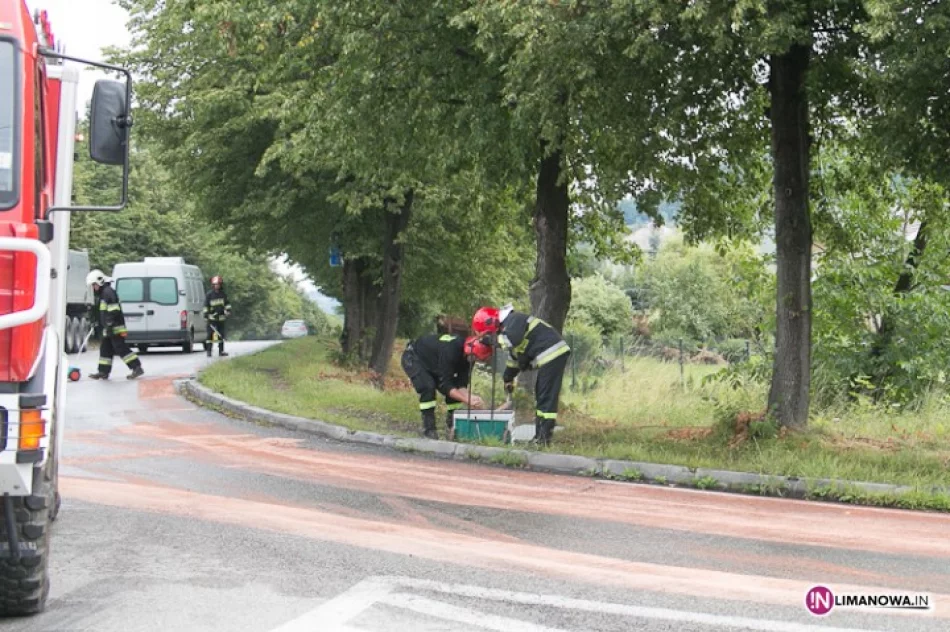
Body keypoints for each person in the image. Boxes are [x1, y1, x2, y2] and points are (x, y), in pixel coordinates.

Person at [471, 304, 571, 446]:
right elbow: (514, 359)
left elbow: (511, 340)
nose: (491, 337)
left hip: (552, 354)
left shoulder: (513, 320)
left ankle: (543, 440)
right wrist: (508, 378)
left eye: (488, 333)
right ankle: (540, 437)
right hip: (548, 357)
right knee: (541, 395)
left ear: (491, 323)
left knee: (546, 397)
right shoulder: (509, 328)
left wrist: (487, 341)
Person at [400, 332, 491, 439]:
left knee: (455, 390)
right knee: (428, 387)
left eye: (477, 360)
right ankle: (429, 429)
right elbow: (446, 385)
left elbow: (460, 385)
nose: (474, 361)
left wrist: (470, 398)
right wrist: (467, 400)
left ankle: (453, 424)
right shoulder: (450, 351)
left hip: (433, 363)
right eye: (474, 358)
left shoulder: (468, 357)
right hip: (414, 358)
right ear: (469, 351)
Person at [86, 270, 144, 381]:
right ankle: (103, 371)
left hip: (115, 328)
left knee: (120, 348)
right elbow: (102, 311)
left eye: (94, 285)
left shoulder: (108, 292)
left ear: (100, 282)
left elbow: (114, 310)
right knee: (105, 349)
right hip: (108, 328)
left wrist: (109, 324)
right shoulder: (104, 293)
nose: (94, 288)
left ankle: (136, 367)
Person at [203, 275, 232, 357]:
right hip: (211, 319)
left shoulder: (223, 294)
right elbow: (206, 305)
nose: (217, 286)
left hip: (221, 318)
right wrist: (206, 314)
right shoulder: (209, 295)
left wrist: (228, 311)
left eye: (218, 284)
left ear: (220, 285)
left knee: (221, 335)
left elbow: (227, 304)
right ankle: (209, 351)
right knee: (210, 335)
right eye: (215, 284)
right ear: (213, 285)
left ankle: (221, 351)